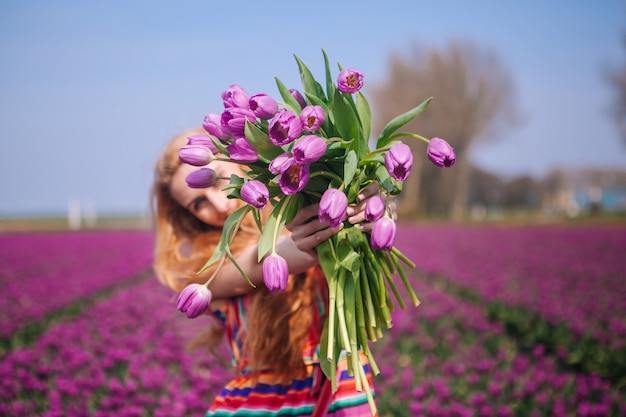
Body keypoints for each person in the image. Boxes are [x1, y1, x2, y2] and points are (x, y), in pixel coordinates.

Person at [152, 127, 381, 416]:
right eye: (199, 203)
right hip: (260, 407)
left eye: (215, 179)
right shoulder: (208, 269)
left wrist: (373, 203)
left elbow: (365, 227)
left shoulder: (303, 204)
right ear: (188, 216)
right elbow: (260, 263)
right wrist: (322, 229)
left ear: (237, 157)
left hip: (340, 393)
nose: (220, 204)